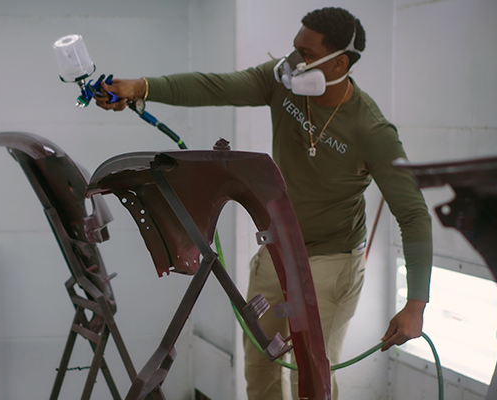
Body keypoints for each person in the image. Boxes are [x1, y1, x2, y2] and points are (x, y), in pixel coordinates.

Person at [95, 7, 433, 400]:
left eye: (305, 55)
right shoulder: (282, 84)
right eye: (294, 50)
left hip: (331, 261)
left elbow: (412, 213)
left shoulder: (371, 131)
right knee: (261, 366)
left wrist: (416, 304)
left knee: (309, 377)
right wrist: (142, 87)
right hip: (278, 252)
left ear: (339, 62)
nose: (292, 63)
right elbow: (214, 87)